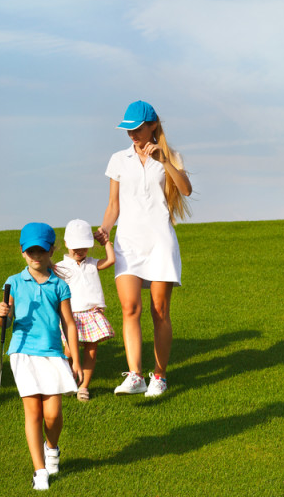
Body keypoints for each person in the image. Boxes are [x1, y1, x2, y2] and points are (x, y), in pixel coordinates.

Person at [96, 100, 192, 398]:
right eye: (128, 130)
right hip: (128, 242)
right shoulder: (118, 159)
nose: (132, 135)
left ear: (153, 126)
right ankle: (135, 375)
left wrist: (164, 160)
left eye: (137, 129)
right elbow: (114, 205)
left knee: (160, 310)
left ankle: (159, 376)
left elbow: (186, 190)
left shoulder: (171, 156)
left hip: (160, 241)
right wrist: (105, 228)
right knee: (129, 308)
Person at [0, 222, 83, 491]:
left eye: (41, 251)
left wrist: (76, 360)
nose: (36, 256)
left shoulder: (59, 285)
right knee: (33, 411)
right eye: (31, 251)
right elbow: (6, 323)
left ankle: (52, 448)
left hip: (53, 354)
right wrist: (3, 315)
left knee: (53, 415)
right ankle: (40, 470)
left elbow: (69, 323)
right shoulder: (13, 283)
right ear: (22, 252)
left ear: (52, 250)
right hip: (22, 353)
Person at [55, 219, 115, 402]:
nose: (78, 251)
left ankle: (83, 386)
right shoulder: (60, 266)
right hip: (70, 315)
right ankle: (67, 381)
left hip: (91, 312)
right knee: (69, 352)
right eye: (75, 247)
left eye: (83, 247)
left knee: (91, 350)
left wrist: (105, 243)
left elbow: (111, 260)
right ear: (66, 244)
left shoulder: (92, 263)